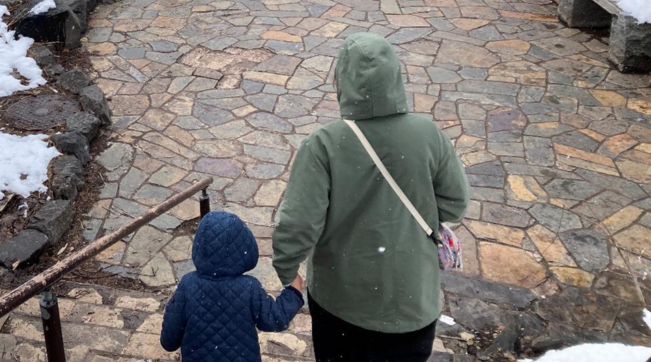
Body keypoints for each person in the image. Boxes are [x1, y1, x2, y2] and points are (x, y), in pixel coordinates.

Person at [272, 33, 470, 362]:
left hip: (342, 304)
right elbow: (455, 203)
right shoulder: (428, 134)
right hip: (412, 301)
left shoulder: (323, 145)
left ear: (342, 82)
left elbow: (298, 223)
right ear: (395, 76)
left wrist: (287, 271)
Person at [161, 211, 305, 362]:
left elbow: (169, 342)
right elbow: (276, 319)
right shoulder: (250, 288)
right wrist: (293, 293)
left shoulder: (187, 285)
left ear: (199, 246)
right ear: (246, 249)